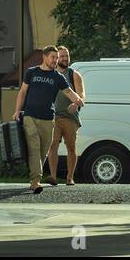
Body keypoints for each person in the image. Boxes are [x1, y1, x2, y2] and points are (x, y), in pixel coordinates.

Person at [13, 46, 83, 194]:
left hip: (48, 119)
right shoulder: (32, 72)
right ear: (44, 57)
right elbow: (23, 91)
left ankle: (35, 178)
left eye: (57, 58)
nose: (55, 61)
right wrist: (17, 110)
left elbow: (69, 92)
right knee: (34, 147)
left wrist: (77, 100)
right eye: (53, 57)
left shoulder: (58, 77)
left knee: (44, 151)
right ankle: (35, 181)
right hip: (30, 116)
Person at [45, 47, 86, 186]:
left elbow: (81, 96)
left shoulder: (74, 75)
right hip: (53, 116)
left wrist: (77, 103)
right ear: (56, 58)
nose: (64, 59)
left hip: (70, 117)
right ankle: (53, 177)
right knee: (52, 146)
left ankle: (70, 178)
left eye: (66, 56)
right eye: (61, 56)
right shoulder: (50, 74)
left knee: (71, 147)